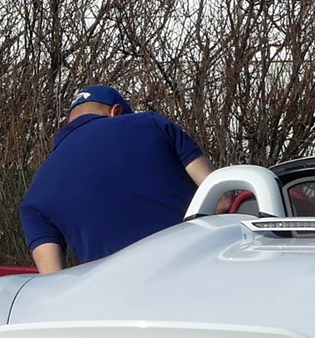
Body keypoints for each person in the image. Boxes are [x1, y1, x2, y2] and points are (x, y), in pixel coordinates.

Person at [19, 84, 214, 273]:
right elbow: (220, 198)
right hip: (194, 271)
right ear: (116, 112)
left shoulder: (34, 197)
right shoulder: (152, 124)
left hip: (120, 297)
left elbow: (53, 280)